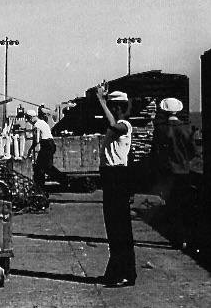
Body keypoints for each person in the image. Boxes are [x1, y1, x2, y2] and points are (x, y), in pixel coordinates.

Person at [96, 86, 136, 287]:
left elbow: (113, 126)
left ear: (117, 107)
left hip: (118, 177)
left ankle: (124, 272)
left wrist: (101, 101)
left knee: (119, 227)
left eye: (112, 107)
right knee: (114, 227)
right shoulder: (117, 124)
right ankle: (116, 271)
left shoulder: (124, 125)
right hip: (111, 177)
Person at [151, 97, 197, 249]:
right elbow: (193, 152)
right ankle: (186, 238)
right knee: (185, 205)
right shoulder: (187, 128)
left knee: (171, 206)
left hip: (167, 173)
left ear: (163, 111)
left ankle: (176, 238)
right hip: (184, 172)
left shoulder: (160, 129)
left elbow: (155, 153)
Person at [26, 109, 65, 191]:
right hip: (50, 144)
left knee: (46, 167)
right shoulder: (43, 122)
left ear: (31, 118)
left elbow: (36, 140)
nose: (29, 122)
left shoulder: (37, 125)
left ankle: (63, 180)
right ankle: (39, 185)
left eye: (28, 119)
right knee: (40, 167)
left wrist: (30, 149)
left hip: (46, 145)